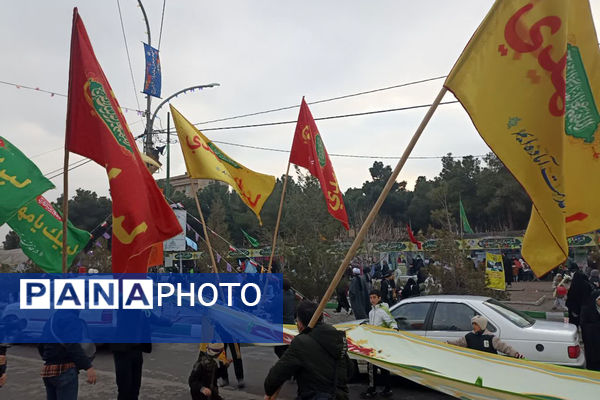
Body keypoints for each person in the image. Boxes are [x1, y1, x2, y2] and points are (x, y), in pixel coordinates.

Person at [264, 300, 350, 400]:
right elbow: (349, 370)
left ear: (300, 323)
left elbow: (276, 375)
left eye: (297, 320)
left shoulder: (301, 342)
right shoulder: (336, 336)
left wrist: (269, 390)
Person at [38, 310, 97, 400]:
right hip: (65, 370)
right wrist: (88, 367)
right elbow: (73, 346)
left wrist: (50, 357)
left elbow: (40, 344)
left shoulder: (52, 318)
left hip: (48, 371)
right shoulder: (72, 319)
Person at [361, 290, 398, 399]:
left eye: (374, 297)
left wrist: (394, 329)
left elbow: (391, 322)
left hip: (381, 344)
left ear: (379, 298)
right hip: (373, 344)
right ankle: (387, 389)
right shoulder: (371, 312)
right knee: (377, 368)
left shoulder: (382, 310)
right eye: (371, 298)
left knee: (375, 367)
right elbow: (374, 325)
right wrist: (366, 324)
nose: (372, 300)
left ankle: (372, 390)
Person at [448, 316, 524, 358]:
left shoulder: (491, 338)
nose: (474, 326)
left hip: (490, 364)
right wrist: (447, 344)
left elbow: (505, 347)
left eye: (476, 324)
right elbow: (458, 343)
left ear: (482, 325)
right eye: (473, 324)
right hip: (474, 363)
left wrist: (516, 354)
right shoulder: (469, 336)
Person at [276, 278, 298, 358]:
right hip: (291, 325)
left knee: (278, 349)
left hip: (283, 326)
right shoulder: (292, 294)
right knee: (287, 347)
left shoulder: (280, 297)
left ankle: (287, 364)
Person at [580, 291, 600, 371]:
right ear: (595, 300)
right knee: (593, 361)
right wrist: (597, 326)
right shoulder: (587, 309)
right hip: (591, 341)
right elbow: (583, 325)